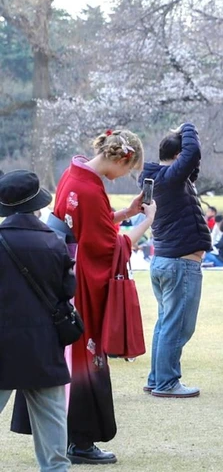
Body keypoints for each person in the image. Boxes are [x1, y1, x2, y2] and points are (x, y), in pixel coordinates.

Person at [24, 129, 155, 465]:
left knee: (66, 357)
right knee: (84, 354)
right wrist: (145, 224)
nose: (125, 176)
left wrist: (126, 214)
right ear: (122, 158)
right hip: (77, 282)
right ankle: (79, 440)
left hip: (61, 275)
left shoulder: (74, 174)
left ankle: (64, 435)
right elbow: (108, 247)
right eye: (129, 169)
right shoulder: (90, 188)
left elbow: (86, 224)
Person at [0, 170, 76, 471]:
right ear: (37, 205)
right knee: (52, 425)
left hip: (3, 343)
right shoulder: (53, 242)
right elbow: (66, 291)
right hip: (44, 344)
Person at [141, 123, 211, 398]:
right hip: (180, 264)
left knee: (165, 323)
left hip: (166, 262)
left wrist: (187, 142)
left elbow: (192, 163)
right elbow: (192, 153)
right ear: (178, 156)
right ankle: (167, 382)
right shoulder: (170, 178)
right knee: (178, 325)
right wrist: (188, 128)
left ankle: (157, 378)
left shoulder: (163, 178)